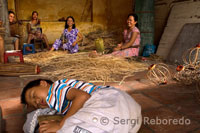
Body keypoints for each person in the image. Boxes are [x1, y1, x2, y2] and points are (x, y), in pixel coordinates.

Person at [21, 78, 142, 133]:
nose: (37, 101)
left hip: (107, 97)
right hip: (126, 106)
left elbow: (83, 97)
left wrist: (60, 124)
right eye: (35, 104)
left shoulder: (57, 88)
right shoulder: (57, 101)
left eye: (33, 95)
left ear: (43, 83)